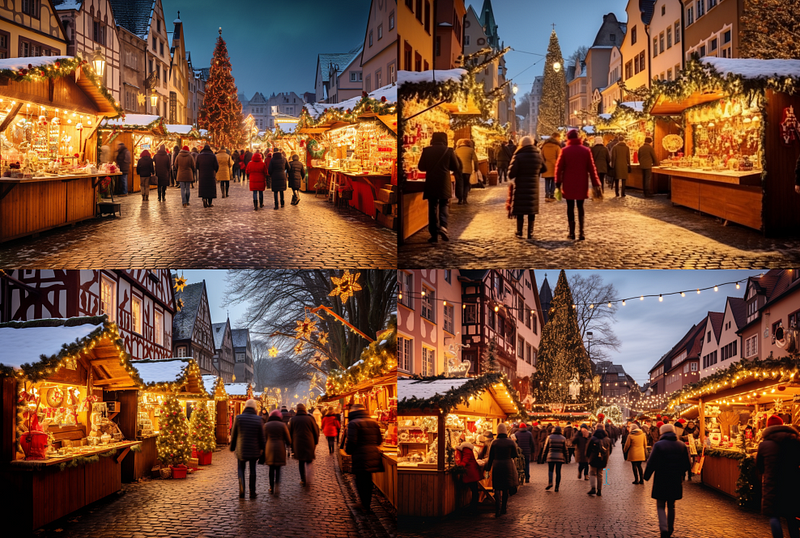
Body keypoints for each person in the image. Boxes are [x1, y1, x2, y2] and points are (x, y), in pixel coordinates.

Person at [644, 423, 693, 538]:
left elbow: (651, 463)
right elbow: (687, 464)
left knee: (660, 504)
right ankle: (670, 528)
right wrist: (681, 473)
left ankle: (663, 528)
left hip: (661, 478)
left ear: (662, 433)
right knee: (671, 505)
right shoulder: (681, 445)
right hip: (675, 479)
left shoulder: (658, 445)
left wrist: (646, 476)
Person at [756, 415, 800, 538]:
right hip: (792, 483)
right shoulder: (794, 441)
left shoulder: (764, 445)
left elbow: (759, 466)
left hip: (772, 483)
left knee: (774, 515)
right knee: (791, 516)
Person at [555, 129, 602, 241]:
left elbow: (559, 168)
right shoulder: (586, 150)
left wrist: (557, 183)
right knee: (580, 207)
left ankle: (572, 232)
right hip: (582, 182)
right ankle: (581, 232)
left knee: (570, 207)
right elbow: (592, 168)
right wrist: (596, 183)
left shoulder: (565, 151)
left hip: (568, 182)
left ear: (568, 138)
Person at [417, 132, 460, 243]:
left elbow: (421, 167)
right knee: (443, 204)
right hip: (444, 182)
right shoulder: (449, 150)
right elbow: (455, 166)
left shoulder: (426, 150)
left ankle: (434, 234)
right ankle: (443, 227)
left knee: (432, 207)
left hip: (431, 181)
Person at [345, 403, 383, 514]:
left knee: (360, 480)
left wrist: (348, 451)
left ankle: (364, 504)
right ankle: (366, 503)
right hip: (372, 454)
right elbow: (379, 440)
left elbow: (352, 441)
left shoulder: (353, 423)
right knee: (367, 480)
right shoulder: (373, 422)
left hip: (361, 455)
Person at [508, 135, 546, 240]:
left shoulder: (518, 155)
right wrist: (535, 172)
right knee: (531, 209)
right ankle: (530, 232)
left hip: (520, 184)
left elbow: (511, 173)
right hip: (533, 185)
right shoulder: (537, 155)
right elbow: (544, 168)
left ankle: (519, 231)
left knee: (520, 208)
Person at [229, 399, 265, 499]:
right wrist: (263, 448)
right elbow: (262, 437)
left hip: (241, 448)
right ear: (254, 408)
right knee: (252, 469)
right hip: (254, 449)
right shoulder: (258, 419)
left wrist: (232, 447)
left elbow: (234, 434)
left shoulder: (238, 418)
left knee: (241, 468)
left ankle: (242, 488)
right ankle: (252, 492)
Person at [486, 423, 518, 517]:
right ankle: (504, 508)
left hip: (497, 465)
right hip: (507, 465)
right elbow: (514, 455)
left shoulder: (494, 442)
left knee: (496, 487)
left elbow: (490, 457)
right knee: (505, 488)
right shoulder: (511, 442)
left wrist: (488, 468)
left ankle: (497, 509)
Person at [288, 403, 319, 486]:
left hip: (298, 443)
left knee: (301, 462)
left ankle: (303, 479)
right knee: (309, 460)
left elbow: (290, 433)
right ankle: (309, 475)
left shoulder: (293, 419)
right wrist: (316, 441)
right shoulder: (310, 419)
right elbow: (315, 431)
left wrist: (291, 445)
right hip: (309, 442)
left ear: (297, 410)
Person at [263, 409, 291, 495]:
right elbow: (288, 439)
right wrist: (289, 444)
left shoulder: (266, 425)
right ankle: (277, 485)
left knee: (271, 469)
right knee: (278, 469)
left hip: (269, 448)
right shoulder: (282, 425)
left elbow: (263, 438)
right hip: (280, 448)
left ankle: (271, 486)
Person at [455, 438, 482, 510]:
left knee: (474, 490)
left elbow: (465, 459)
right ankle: (473, 506)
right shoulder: (466, 449)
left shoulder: (466, 449)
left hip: (470, 473)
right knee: (474, 490)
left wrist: (460, 467)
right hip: (471, 472)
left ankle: (473, 507)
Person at [586, 423, 612, 496]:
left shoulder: (593, 438)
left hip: (593, 458)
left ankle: (593, 488)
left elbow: (588, 449)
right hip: (603, 459)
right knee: (600, 474)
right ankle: (599, 490)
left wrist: (588, 457)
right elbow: (610, 450)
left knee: (592, 473)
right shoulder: (607, 439)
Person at [542, 425, 568, 492]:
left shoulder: (549, 437)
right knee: (558, 472)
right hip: (560, 457)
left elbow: (546, 447)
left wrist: (543, 456)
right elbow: (565, 449)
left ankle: (550, 482)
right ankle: (557, 487)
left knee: (550, 470)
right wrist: (567, 458)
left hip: (551, 456)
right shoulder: (563, 438)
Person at [454, 139, 478, 204]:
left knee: (459, 184)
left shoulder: (456, 150)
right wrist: (476, 169)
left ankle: (459, 199)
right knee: (466, 184)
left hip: (458, 170)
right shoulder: (471, 150)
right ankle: (464, 198)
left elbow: (454, 160)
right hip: (467, 170)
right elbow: (475, 160)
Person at [196, 144, 218, 208]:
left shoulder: (199, 156)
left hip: (202, 174)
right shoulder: (213, 156)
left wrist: (201, 169)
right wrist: (214, 171)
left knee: (203, 187)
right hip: (210, 174)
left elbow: (197, 165)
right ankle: (210, 202)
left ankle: (204, 198)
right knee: (210, 188)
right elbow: (216, 165)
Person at [540, 133, 561, 201]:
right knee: (553, 180)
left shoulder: (544, 146)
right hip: (554, 165)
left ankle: (547, 194)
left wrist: (543, 163)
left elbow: (541, 156)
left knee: (547, 180)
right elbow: (559, 157)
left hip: (546, 165)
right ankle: (551, 195)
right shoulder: (556, 147)